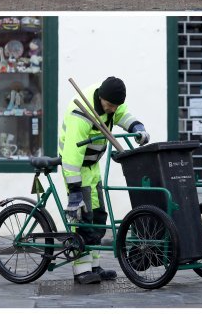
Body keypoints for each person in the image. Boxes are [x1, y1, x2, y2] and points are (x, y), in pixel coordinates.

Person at [59, 76, 150, 285]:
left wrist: (138, 128)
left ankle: (94, 266)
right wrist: (74, 191)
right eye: (109, 106)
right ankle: (81, 270)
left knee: (98, 216)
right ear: (101, 98)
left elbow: (123, 115)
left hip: (92, 167)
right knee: (83, 217)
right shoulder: (80, 114)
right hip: (75, 169)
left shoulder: (112, 101)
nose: (112, 110)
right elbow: (71, 157)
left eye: (114, 106)